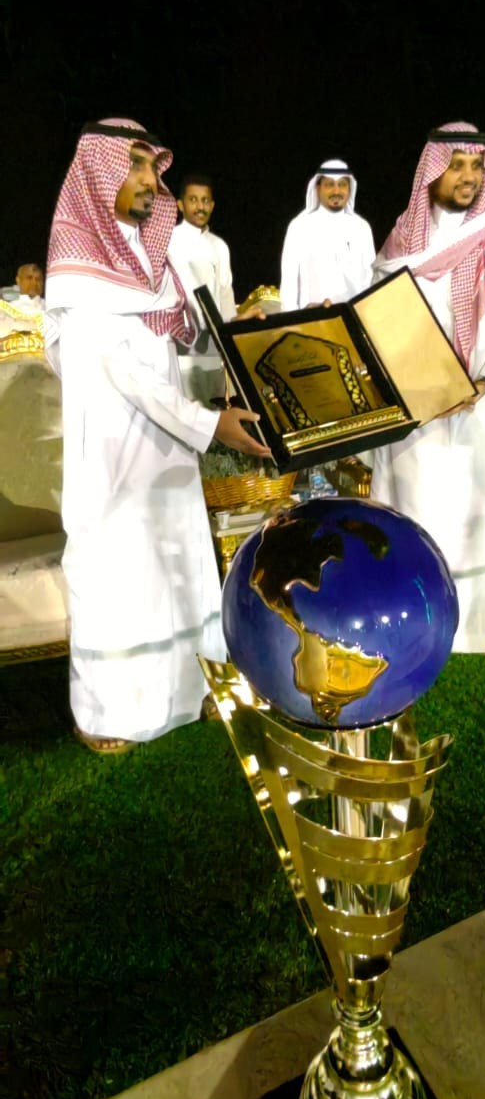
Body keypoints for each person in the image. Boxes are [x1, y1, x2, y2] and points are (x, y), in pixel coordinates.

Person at [44, 117, 269, 752]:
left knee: (179, 560)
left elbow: (178, 337)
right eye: (135, 165)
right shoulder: (79, 264)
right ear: (98, 175)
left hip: (166, 448)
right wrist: (210, 423)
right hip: (114, 453)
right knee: (120, 571)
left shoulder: (151, 255)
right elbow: (124, 371)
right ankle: (109, 712)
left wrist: (239, 329)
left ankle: (193, 687)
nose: (149, 180)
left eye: (152, 166)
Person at [370, 121, 485, 653]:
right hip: (416, 406)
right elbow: (379, 313)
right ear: (432, 171)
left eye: (476, 166)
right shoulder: (402, 239)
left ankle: (467, 626)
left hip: (478, 405)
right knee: (413, 504)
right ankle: (412, 615)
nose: (468, 176)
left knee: (474, 512)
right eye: (456, 165)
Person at [167, 173, 237, 403]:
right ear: (180, 205)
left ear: (212, 205)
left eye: (205, 201)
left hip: (213, 343)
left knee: (215, 408)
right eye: (193, 200)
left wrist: (230, 332)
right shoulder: (168, 241)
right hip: (180, 341)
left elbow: (225, 294)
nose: (200, 207)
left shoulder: (220, 246)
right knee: (185, 406)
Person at [279, 158, 376, 310]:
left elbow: (370, 281)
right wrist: (293, 320)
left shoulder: (362, 228)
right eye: (330, 185)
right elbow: (288, 286)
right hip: (312, 318)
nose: (336, 191)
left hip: (352, 317)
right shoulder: (299, 227)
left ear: (350, 188)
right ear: (318, 188)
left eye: (342, 185)